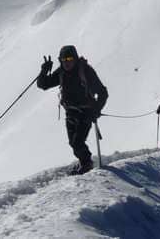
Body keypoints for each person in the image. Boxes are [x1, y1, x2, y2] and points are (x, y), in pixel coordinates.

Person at [37, 45, 108, 174]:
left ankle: (87, 164)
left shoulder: (86, 71)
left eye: (69, 59)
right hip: (70, 112)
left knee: (77, 142)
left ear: (75, 58)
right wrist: (44, 71)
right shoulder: (62, 72)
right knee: (73, 143)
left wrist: (96, 110)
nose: (66, 62)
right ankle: (85, 162)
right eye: (63, 59)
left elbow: (103, 92)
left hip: (85, 112)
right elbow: (43, 84)